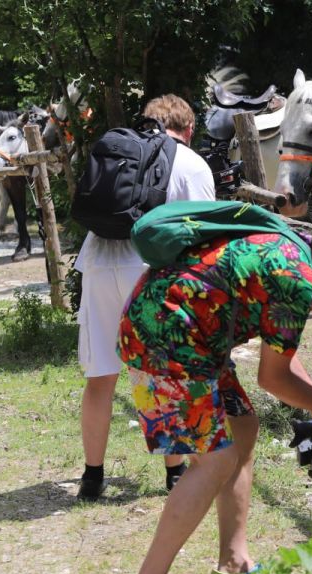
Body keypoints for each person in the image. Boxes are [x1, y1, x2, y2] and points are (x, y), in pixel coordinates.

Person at [117, 224, 312, 574]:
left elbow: (280, 355)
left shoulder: (296, 255)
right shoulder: (298, 282)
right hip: (166, 335)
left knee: (243, 428)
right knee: (215, 459)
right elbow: (273, 379)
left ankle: (234, 565)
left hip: (189, 331)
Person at [75, 94, 216, 501]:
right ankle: (173, 475)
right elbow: (204, 234)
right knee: (160, 374)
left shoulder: (117, 151)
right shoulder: (189, 161)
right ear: (188, 128)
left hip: (99, 263)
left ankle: (92, 476)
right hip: (150, 270)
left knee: (100, 377)